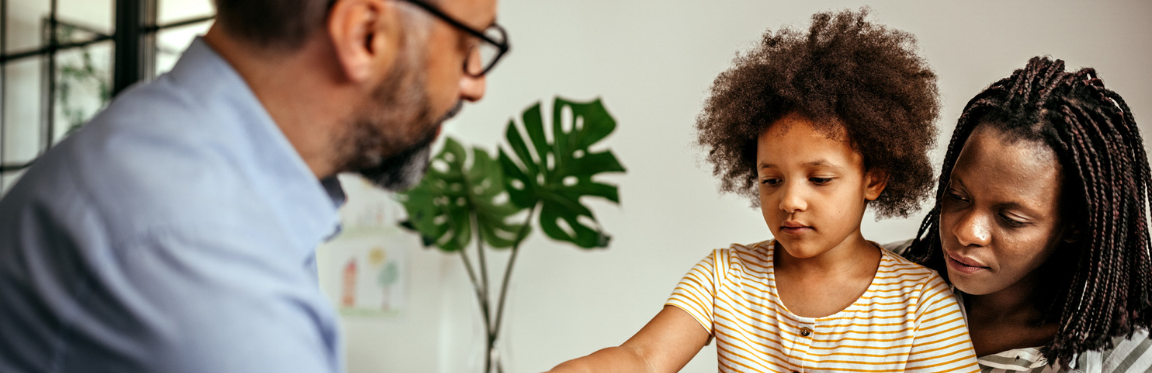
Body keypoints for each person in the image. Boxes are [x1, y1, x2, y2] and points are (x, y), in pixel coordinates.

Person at [0, 0, 507, 371]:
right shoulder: (194, 246)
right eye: (467, 47)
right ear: (365, 34)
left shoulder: (194, 172)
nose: (476, 84)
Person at [549, 9, 979, 373]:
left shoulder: (921, 305)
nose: (789, 201)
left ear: (873, 179)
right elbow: (641, 359)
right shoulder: (725, 277)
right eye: (771, 180)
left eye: (819, 179)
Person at [901, 57, 1152, 373]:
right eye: (958, 196)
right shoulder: (885, 275)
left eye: (1010, 219)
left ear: (1074, 225)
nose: (967, 232)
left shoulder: (1118, 355)